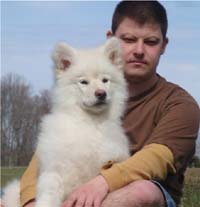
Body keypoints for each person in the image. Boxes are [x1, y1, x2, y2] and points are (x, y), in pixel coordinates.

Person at [18, 1, 200, 207]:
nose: (139, 50)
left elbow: (156, 159)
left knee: (143, 190)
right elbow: (47, 157)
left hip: (145, 196)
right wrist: (30, 200)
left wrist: (103, 182)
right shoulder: (80, 99)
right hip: (79, 192)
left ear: (164, 45)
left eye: (150, 41)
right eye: (129, 39)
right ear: (111, 41)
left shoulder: (180, 104)